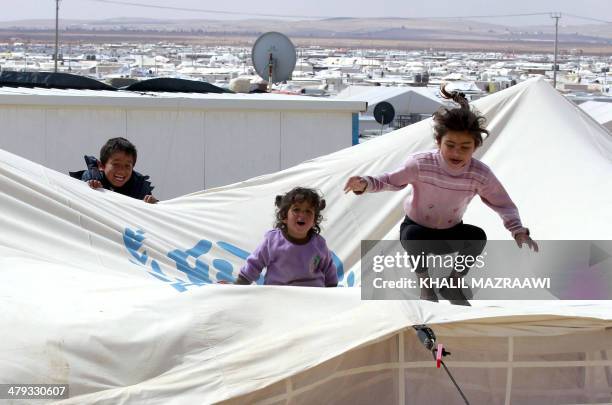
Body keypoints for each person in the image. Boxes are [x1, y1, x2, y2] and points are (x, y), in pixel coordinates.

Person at [344, 84, 538, 305]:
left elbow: (503, 203)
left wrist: (518, 231)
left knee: (477, 236)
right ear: (438, 142)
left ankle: (451, 285)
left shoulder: (479, 174)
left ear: (476, 146)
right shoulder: (421, 163)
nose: (456, 153)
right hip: (417, 233)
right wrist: (364, 184)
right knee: (413, 236)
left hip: (449, 233)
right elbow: (390, 180)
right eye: (450, 145)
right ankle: (426, 288)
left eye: (465, 147)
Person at [234, 187, 338, 287]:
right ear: (284, 217)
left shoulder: (319, 244)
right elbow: (254, 264)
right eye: (296, 210)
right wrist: (238, 285)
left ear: (314, 221)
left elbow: (329, 270)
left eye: (308, 211)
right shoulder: (272, 240)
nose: (302, 215)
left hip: (312, 295)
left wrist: (333, 293)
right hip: (279, 294)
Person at [69, 137, 158, 204]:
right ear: (101, 166)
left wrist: (154, 204)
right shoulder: (92, 177)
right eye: (116, 164)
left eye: (127, 166)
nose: (122, 171)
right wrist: (90, 189)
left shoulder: (140, 186)